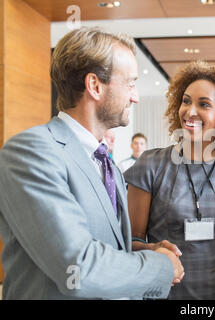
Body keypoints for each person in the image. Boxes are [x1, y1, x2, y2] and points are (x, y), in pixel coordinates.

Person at [0, 27, 184, 300]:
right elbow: (79, 269)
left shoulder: (105, 162)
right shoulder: (31, 152)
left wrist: (143, 251)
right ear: (95, 86)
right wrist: (161, 266)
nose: (136, 96)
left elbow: (101, 245)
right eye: (131, 84)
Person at [124, 61, 215, 300]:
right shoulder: (151, 165)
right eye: (186, 101)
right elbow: (130, 242)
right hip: (162, 293)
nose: (190, 111)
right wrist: (152, 249)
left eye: (204, 104)